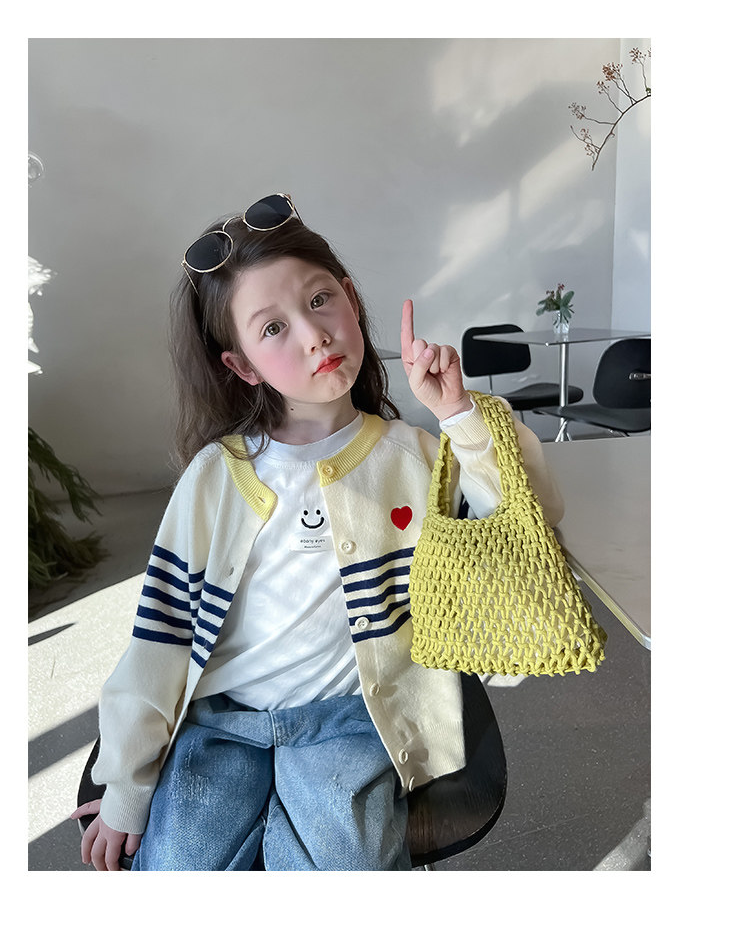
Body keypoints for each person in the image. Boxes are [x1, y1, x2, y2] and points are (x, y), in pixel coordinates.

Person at [71, 194, 564, 871]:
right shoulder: (216, 476)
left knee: (348, 866)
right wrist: (127, 790)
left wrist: (458, 415)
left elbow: (532, 515)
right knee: (178, 863)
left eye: (321, 299)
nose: (313, 334)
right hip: (220, 723)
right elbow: (161, 637)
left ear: (351, 300)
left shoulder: (413, 455)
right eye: (273, 327)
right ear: (242, 365)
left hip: (355, 721)